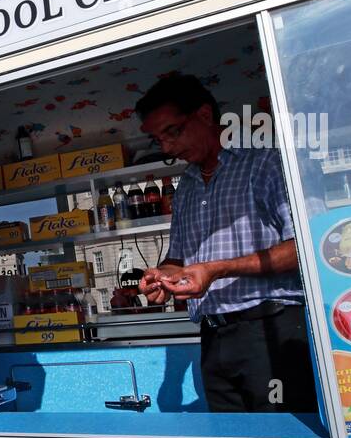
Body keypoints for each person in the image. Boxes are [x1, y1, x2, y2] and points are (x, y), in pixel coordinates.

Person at [135, 74, 317, 414]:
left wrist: (217, 270)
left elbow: (304, 249)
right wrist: (163, 275)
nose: (168, 148)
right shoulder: (186, 186)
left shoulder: (265, 163)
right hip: (214, 337)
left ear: (205, 115)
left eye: (172, 131)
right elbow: (180, 257)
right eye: (158, 140)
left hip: (270, 328)